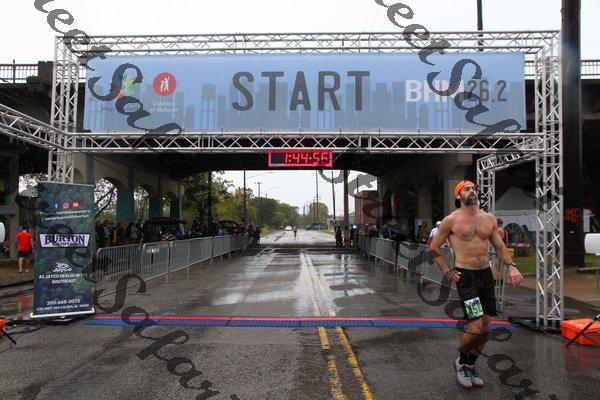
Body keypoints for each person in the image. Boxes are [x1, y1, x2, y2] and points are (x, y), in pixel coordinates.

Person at [429, 180, 523, 390]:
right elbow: (433, 247)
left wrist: (512, 266)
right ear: (458, 196)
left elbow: (499, 246)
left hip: (485, 276)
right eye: (467, 189)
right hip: (467, 278)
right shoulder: (451, 220)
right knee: (475, 325)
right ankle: (462, 363)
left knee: (486, 327)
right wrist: (447, 271)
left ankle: (470, 365)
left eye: (473, 188)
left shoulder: (488, 219)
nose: (472, 191)